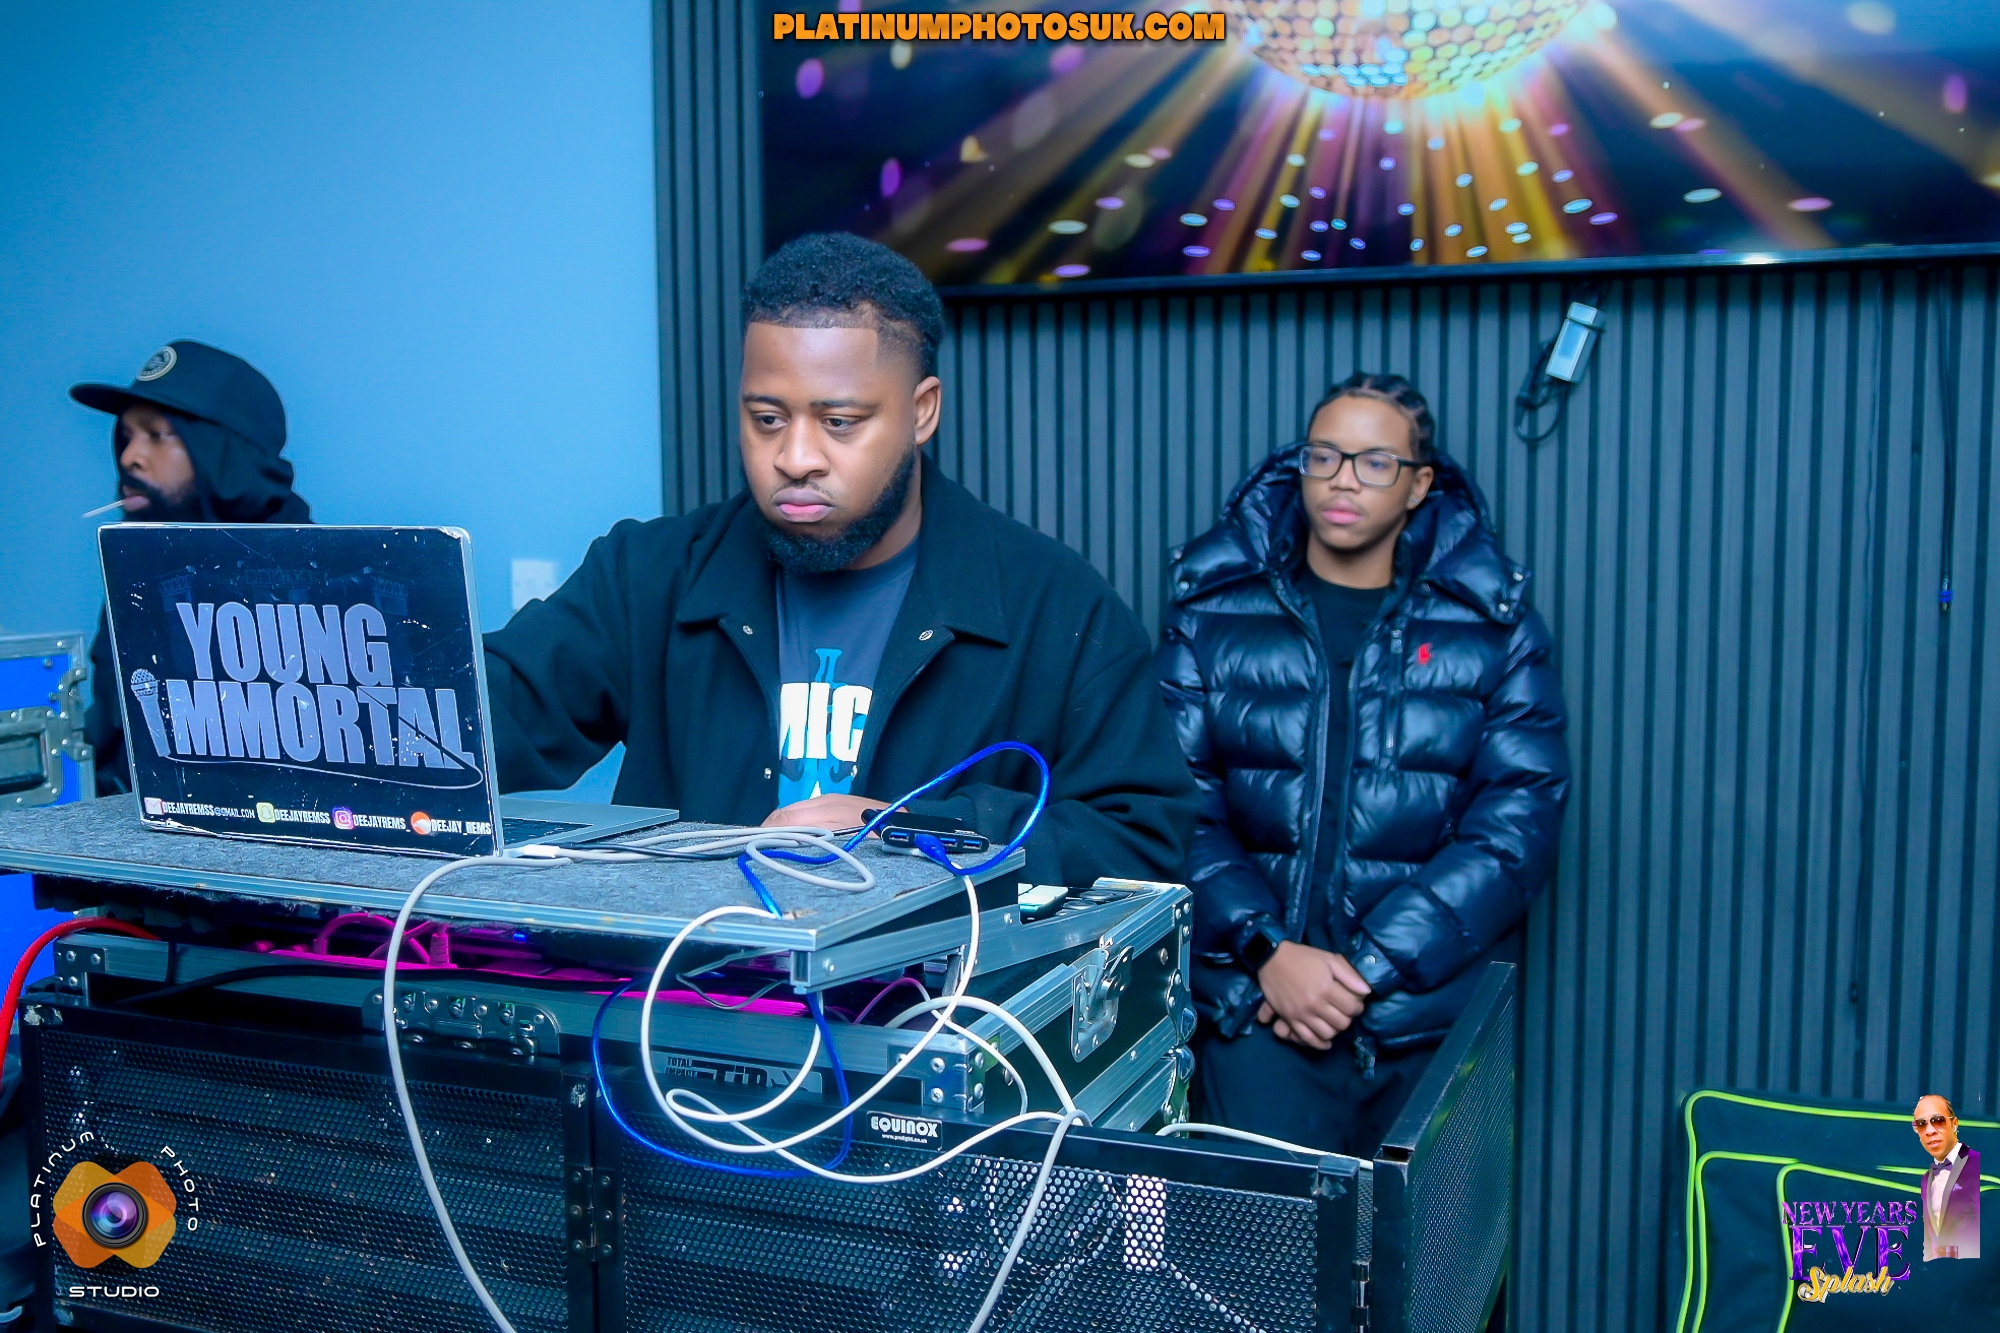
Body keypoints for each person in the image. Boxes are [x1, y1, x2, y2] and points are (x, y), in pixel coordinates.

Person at [483, 232, 1196, 884]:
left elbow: (1141, 840)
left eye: (839, 422)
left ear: (922, 411)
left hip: (934, 985)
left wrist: (912, 831)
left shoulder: (1058, 605)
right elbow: (477, 726)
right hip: (687, 982)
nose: (795, 457)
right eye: (767, 419)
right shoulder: (648, 574)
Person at [1155, 372, 1569, 1155]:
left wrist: (1364, 971)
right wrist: (1267, 951)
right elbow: (1175, 802)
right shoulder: (1212, 609)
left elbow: (1519, 820)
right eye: (1325, 456)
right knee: (1259, 1234)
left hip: (1423, 1021)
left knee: (1422, 1239)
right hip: (1257, 1013)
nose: (1343, 480)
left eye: (1376, 462)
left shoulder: (1493, 624)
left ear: (1419, 485)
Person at [71, 341, 310, 795]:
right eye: (127, 436)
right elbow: (110, 742)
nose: (129, 458)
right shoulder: (140, 573)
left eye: (157, 435)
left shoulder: (314, 578)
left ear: (223, 453)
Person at [1914, 1094, 1980, 1260]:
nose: (1929, 1131)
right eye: (1921, 1124)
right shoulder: (1926, 1179)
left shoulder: (1978, 1165)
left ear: (1954, 1124)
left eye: (1938, 1121)